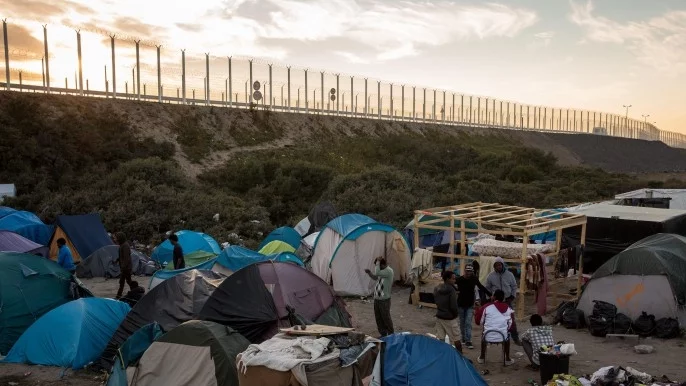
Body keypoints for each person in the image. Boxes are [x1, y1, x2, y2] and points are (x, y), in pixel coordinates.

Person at [484, 256, 520, 344]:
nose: (498, 267)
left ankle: (515, 338)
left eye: (499, 265)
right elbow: (487, 288)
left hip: (507, 300)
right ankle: (494, 337)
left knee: (511, 319)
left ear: (502, 265)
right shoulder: (491, 276)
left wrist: (512, 296)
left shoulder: (509, 275)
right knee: (495, 319)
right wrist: (490, 298)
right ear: (494, 266)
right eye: (496, 265)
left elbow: (514, 286)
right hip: (495, 301)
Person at [475, 289, 515, 366]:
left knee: (484, 332)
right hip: (502, 337)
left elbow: (478, 322)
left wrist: (477, 309)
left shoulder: (486, 307)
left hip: (487, 336)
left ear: (494, 297)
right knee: (508, 334)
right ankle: (507, 359)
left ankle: (482, 357)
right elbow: (511, 325)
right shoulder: (508, 308)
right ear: (503, 298)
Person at [455, 264, 491, 349]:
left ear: (472, 272)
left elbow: (481, 287)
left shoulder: (474, 279)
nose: (468, 273)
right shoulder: (459, 279)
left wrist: (490, 294)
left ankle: (468, 340)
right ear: (464, 271)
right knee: (462, 323)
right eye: (467, 271)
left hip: (470, 305)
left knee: (468, 323)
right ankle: (463, 338)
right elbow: (451, 285)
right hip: (460, 304)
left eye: (470, 271)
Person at [364, 257, 394, 337]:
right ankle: (383, 334)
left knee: (386, 317)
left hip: (384, 300)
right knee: (379, 318)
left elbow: (377, 273)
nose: (378, 267)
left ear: (382, 265)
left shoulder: (389, 271)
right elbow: (375, 277)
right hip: (377, 299)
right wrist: (369, 273)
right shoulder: (382, 272)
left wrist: (377, 262)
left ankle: (391, 334)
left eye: (379, 265)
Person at [433, 270, 462, 352]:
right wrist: (455, 315)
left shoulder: (437, 288)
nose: (454, 280)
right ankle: (461, 358)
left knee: (440, 338)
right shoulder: (451, 290)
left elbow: (436, 301)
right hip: (450, 318)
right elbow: (453, 306)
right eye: (453, 279)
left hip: (439, 316)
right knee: (456, 338)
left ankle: (441, 356)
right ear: (447, 279)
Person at [114, 232, 135, 299]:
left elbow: (126, 258)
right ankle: (119, 295)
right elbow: (122, 256)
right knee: (123, 282)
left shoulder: (125, 246)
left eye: (116, 238)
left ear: (119, 238)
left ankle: (135, 292)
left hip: (126, 268)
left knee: (127, 281)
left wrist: (123, 267)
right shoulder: (122, 245)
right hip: (124, 268)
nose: (115, 239)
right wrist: (117, 260)